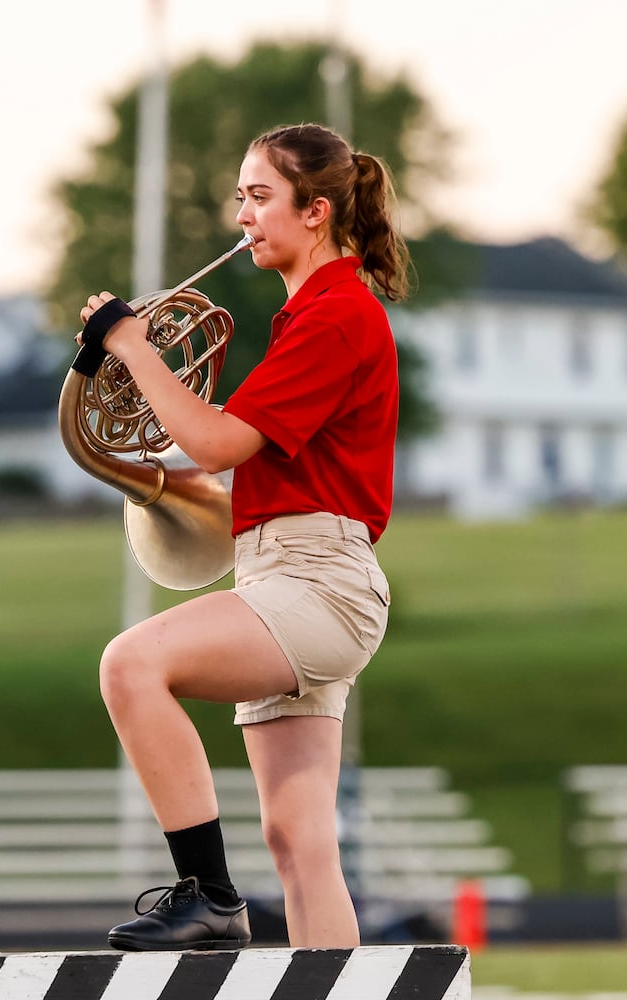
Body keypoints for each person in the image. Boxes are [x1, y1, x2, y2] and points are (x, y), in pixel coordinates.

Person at [75, 122, 409, 952]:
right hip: (283, 575)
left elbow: (220, 442)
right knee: (300, 845)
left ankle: (212, 897)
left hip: (316, 582)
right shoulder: (313, 313)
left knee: (131, 663)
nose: (244, 218)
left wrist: (132, 347)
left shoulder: (336, 314)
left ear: (317, 212)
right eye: (240, 199)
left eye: (260, 198)